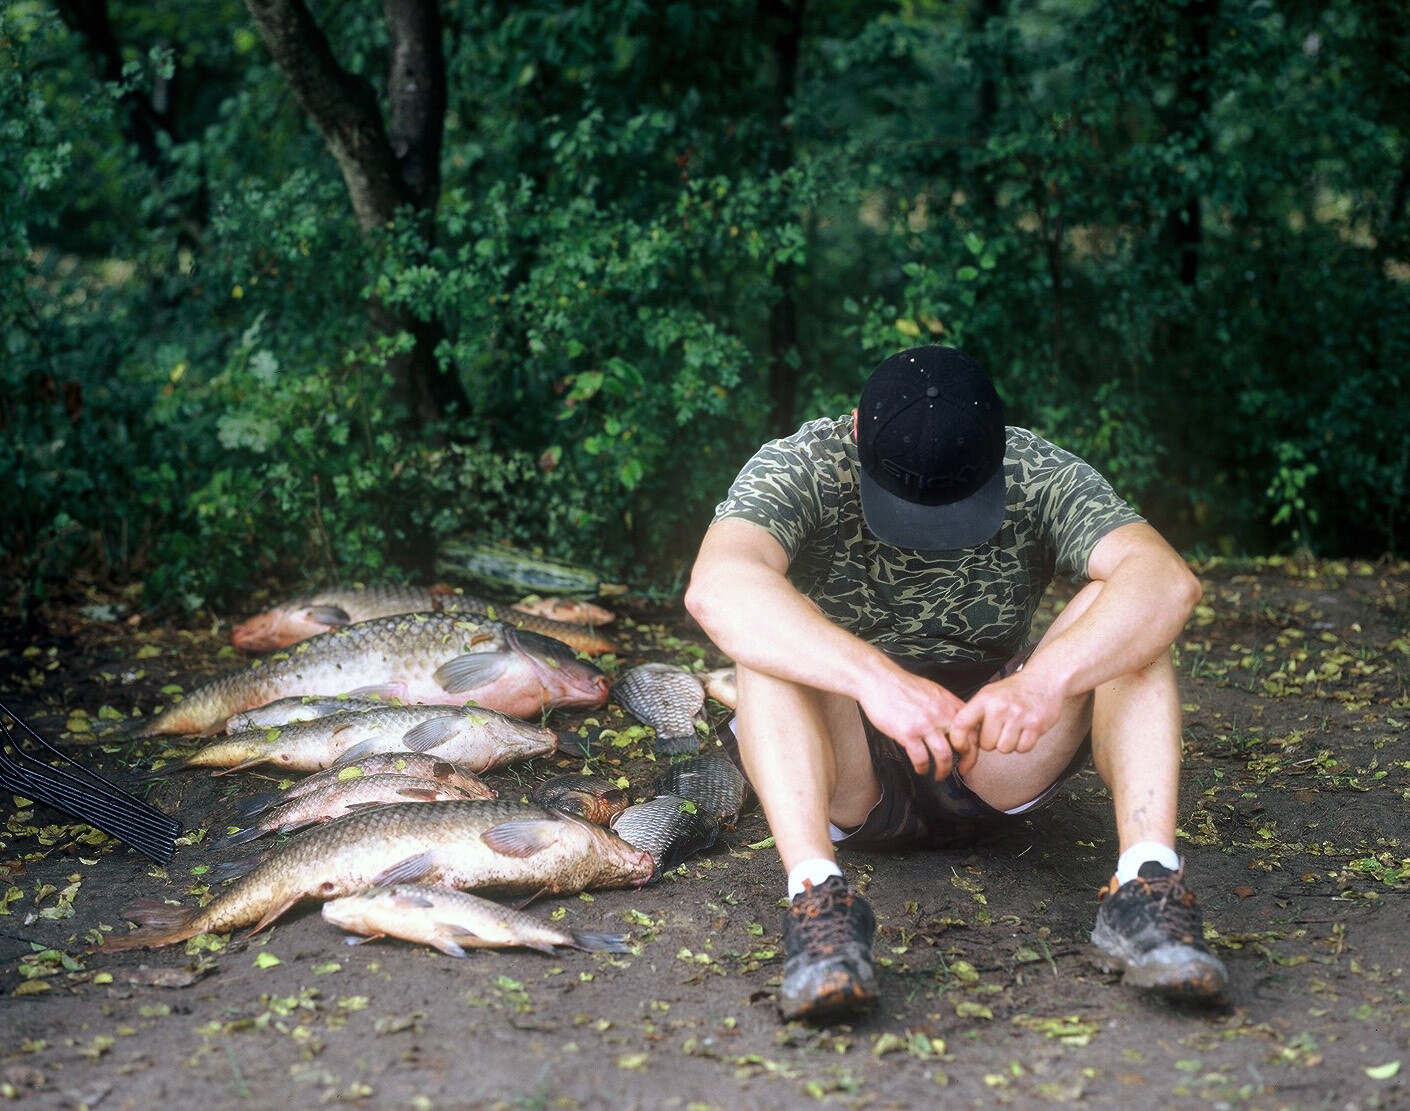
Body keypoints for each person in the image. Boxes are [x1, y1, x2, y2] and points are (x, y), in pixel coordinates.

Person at [684, 344, 1228, 1023]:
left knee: (1127, 617)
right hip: (845, 762)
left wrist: (1043, 681)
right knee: (766, 634)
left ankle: (1146, 883)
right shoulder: (804, 463)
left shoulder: (1037, 467)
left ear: (998, 445)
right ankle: (817, 901)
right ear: (857, 428)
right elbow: (717, 587)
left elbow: (1166, 580)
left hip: (991, 749)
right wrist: (877, 680)